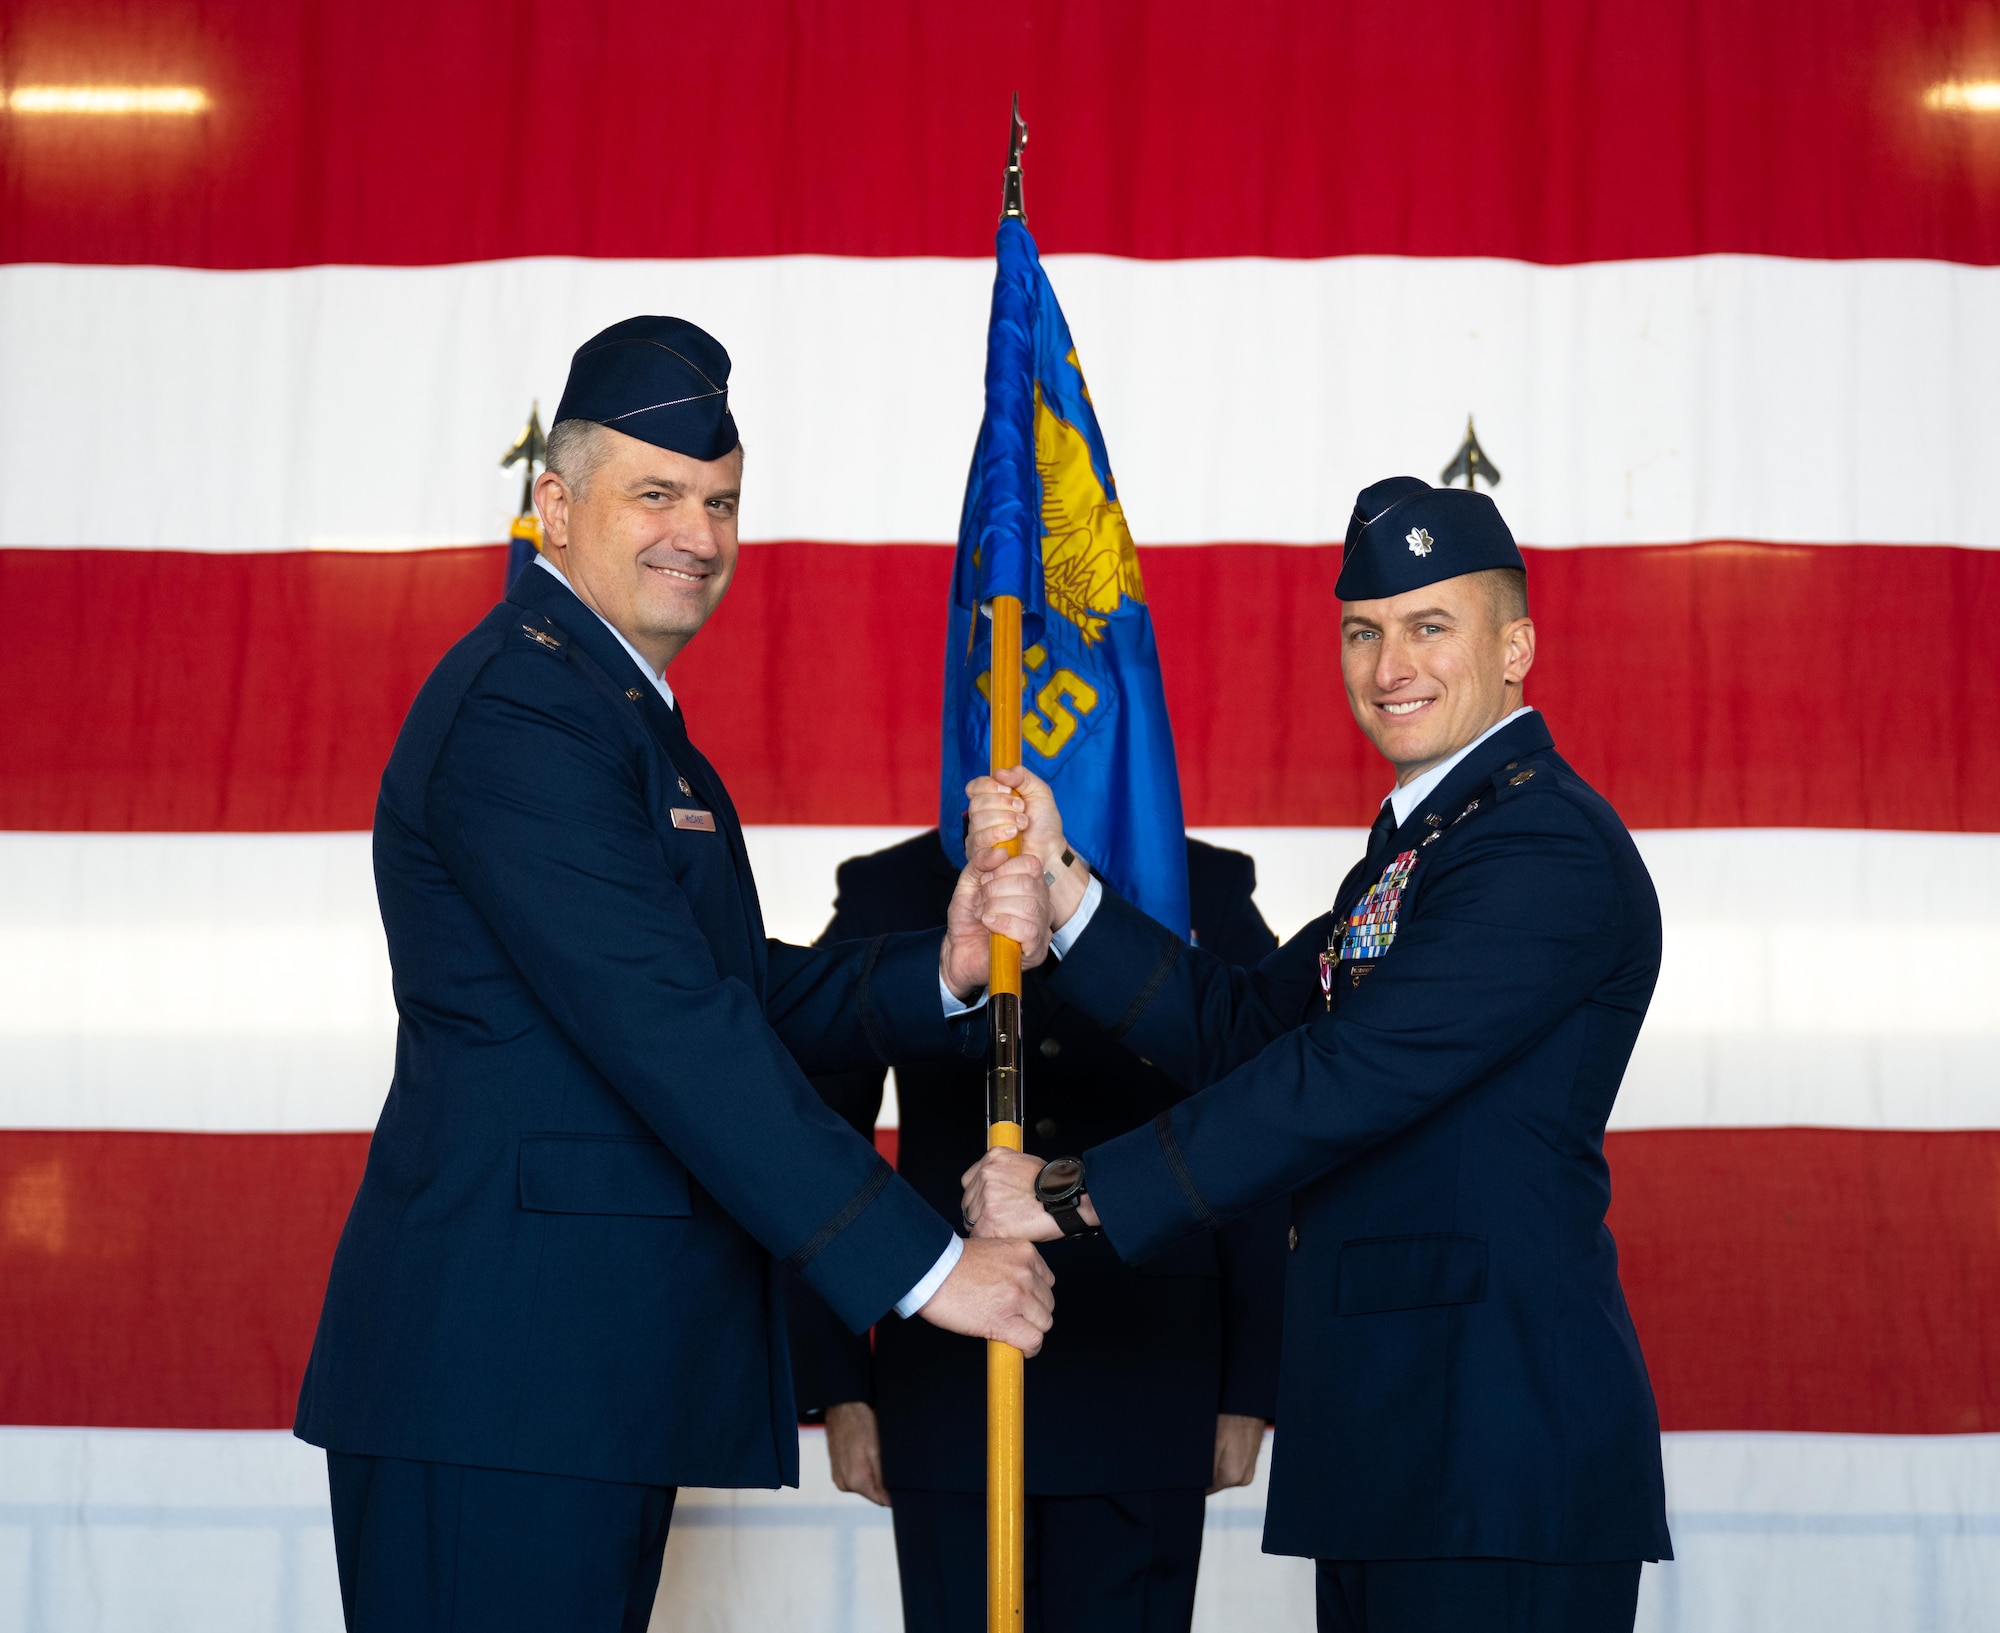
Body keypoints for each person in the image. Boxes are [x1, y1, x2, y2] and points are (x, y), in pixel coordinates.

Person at [294, 316, 1059, 1633]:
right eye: (656, 493)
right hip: (500, 1381)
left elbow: (718, 986)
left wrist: (932, 968)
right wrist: (929, 1270)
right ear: (553, 500)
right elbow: (674, 1028)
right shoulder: (524, 711)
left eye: (720, 501)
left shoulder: (616, 708)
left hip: (572, 1377)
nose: (696, 536)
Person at [962, 476, 1673, 1633]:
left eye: (1429, 625)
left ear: (1516, 648)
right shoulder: (1427, 841)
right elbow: (1251, 1029)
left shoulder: (1540, 844)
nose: (1390, 663)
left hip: (1495, 1453)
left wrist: (1070, 1192)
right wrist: (1061, 884)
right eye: (1364, 630)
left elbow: (1344, 1075)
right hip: (1393, 1443)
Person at [787, 830, 1288, 1633]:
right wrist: (840, 1383)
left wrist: (1250, 1386)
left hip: (1145, 1377)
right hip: (948, 1386)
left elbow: (1263, 1120)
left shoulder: (1202, 882)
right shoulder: (891, 886)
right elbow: (813, 1138)